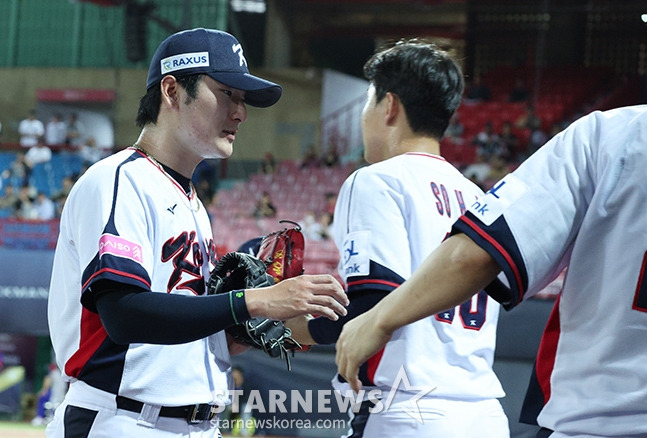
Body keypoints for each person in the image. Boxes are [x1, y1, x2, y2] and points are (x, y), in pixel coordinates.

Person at [46, 28, 348, 438]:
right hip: (122, 418)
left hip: (196, 422)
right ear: (172, 90)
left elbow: (189, 334)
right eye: (227, 93)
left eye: (242, 100)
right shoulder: (120, 180)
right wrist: (250, 300)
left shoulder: (193, 204)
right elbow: (123, 315)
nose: (240, 112)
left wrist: (289, 319)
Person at [336, 105, 647, 438]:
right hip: (483, 409)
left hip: (598, 418)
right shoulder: (471, 190)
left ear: (389, 105)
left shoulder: (617, 132)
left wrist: (305, 328)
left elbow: (472, 259)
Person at [286, 39, 508, 438]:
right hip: (483, 414)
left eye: (369, 102)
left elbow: (372, 306)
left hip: (408, 409)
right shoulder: (479, 197)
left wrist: (278, 330)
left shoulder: (376, 180)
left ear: (388, 106)